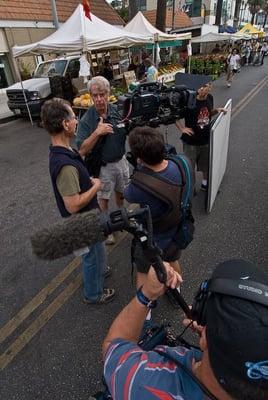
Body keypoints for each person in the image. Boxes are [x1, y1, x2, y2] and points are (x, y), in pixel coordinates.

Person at [102, 259, 268, 400]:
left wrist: (146, 294)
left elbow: (112, 346)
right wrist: (216, 340)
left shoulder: (142, 383)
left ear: (204, 339)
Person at [41, 98, 115, 304]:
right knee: (91, 256)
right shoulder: (64, 165)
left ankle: (98, 272)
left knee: (96, 251)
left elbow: (79, 162)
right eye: (74, 117)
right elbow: (72, 205)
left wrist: (87, 182)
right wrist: (96, 187)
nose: (76, 121)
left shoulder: (66, 151)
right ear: (65, 124)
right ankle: (94, 294)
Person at [124, 127, 193, 296]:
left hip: (154, 237)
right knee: (173, 259)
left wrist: (139, 171)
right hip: (178, 229)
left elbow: (127, 195)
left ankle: (145, 316)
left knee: (143, 271)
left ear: (139, 158)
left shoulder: (138, 187)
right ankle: (176, 289)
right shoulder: (183, 162)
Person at [76, 76, 129, 245]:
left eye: (102, 94)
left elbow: (129, 131)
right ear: (91, 96)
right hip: (103, 167)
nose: (99, 99)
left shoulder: (118, 111)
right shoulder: (86, 120)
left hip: (121, 162)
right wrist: (97, 133)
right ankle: (107, 229)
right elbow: (82, 150)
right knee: (103, 200)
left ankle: (124, 220)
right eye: (95, 95)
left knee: (121, 194)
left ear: (108, 93)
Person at [175, 81, 227, 191]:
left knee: (205, 166)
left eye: (205, 86)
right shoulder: (189, 101)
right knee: (190, 167)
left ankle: (205, 184)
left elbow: (207, 114)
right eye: (200, 86)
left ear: (210, 87)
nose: (201, 88)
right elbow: (175, 116)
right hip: (191, 142)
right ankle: (190, 189)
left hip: (205, 140)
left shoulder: (210, 98)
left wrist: (217, 110)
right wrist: (182, 128)